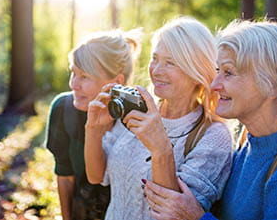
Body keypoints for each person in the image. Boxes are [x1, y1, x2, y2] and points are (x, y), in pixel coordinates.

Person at [143, 19, 277, 220]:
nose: (214, 85)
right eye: (218, 70)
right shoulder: (250, 137)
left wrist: (196, 217)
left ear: (272, 84)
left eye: (228, 73)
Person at [84, 17, 233, 220]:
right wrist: (93, 129)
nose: (156, 70)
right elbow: (96, 176)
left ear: (196, 70)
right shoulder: (138, 109)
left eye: (170, 63)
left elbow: (176, 213)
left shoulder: (214, 137)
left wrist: (160, 148)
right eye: (155, 58)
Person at [44, 29, 141, 220]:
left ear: (117, 82)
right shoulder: (63, 109)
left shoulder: (138, 120)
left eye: (84, 77)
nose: (73, 84)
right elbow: (65, 177)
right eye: (73, 73)